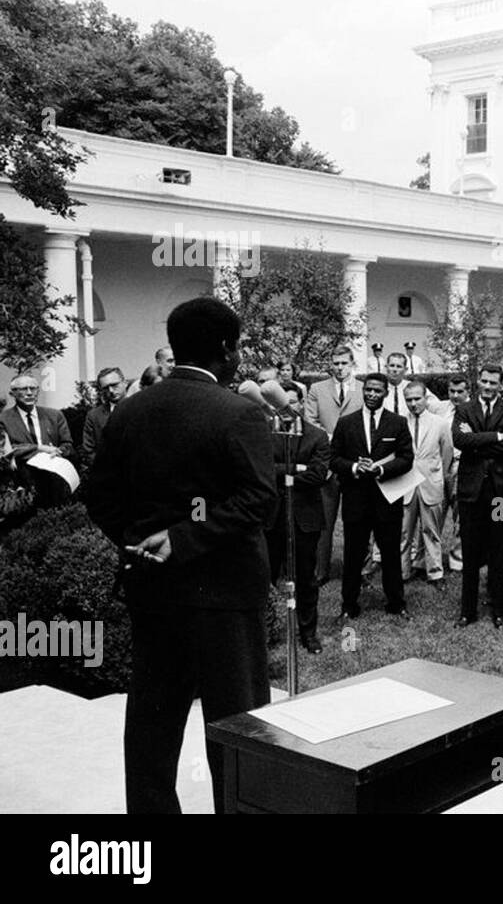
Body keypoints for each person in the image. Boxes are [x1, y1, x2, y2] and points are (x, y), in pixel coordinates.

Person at [84, 296, 277, 814]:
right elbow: (258, 499)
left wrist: (140, 541)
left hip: (153, 593)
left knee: (152, 722)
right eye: (235, 347)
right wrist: (185, 536)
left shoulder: (129, 410)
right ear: (225, 350)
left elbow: (97, 495)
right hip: (226, 598)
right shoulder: (241, 412)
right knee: (238, 728)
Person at [329, 372, 414, 621]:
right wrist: (355, 467)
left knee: (390, 553)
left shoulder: (397, 423)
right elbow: (334, 459)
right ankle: (349, 604)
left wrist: (381, 469)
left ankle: (396, 602)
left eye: (377, 390)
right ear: (362, 391)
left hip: (387, 499)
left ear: (386, 393)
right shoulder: (346, 423)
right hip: (356, 499)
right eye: (368, 390)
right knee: (353, 553)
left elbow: (407, 459)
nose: (372, 395)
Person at [264, 382, 331, 655]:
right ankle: (265, 632)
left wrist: (284, 474)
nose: (288, 409)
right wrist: (296, 468)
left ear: (302, 403)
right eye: (283, 403)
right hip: (271, 517)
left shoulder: (317, 436)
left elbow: (317, 476)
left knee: (306, 578)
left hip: (305, 518)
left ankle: (308, 632)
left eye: (293, 402)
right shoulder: (266, 434)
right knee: (266, 576)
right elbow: (263, 471)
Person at [452, 365, 503, 628]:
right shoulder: (464, 409)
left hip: (499, 495)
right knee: (470, 550)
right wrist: (495, 437)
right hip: (471, 492)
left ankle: (499, 608)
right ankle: (467, 611)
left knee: (499, 547)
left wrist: (477, 439)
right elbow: (459, 440)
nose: (488, 387)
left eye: (494, 383)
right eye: (484, 381)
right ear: (478, 381)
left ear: (501, 385)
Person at [304, 346, 363, 586]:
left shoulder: (362, 389)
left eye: (344, 363)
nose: (339, 368)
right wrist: (330, 438)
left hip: (354, 463)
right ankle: (320, 570)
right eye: (336, 363)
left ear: (352, 364)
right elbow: (310, 420)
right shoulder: (317, 389)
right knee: (325, 521)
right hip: (326, 463)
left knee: (357, 521)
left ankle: (359, 570)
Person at [401, 380, 454, 586]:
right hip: (406, 484)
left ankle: (435, 572)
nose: (413, 404)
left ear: (425, 398)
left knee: (431, 531)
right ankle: (404, 571)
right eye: (409, 400)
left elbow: (446, 452)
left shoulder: (439, 423)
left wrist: (437, 474)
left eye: (417, 399)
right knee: (405, 531)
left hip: (430, 483)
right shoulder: (400, 422)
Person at [1, 373, 76, 507]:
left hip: (55, 477)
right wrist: (39, 448)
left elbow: (68, 445)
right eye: (24, 389)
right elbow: (8, 450)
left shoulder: (55, 415)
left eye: (33, 388)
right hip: (22, 481)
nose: (29, 393)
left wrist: (59, 451)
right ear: (12, 393)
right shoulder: (4, 419)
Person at [442, 374, 472, 572]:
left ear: (468, 392)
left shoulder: (475, 411)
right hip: (442, 466)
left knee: (461, 516)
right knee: (435, 512)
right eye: (452, 391)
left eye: (460, 391)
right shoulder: (440, 409)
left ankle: (458, 559)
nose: (455, 395)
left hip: (464, 466)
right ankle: (430, 558)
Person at [80, 366, 128, 469]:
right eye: (105, 388)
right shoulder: (94, 416)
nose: (111, 390)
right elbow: (88, 450)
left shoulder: (140, 408)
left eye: (114, 385)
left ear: (125, 383)